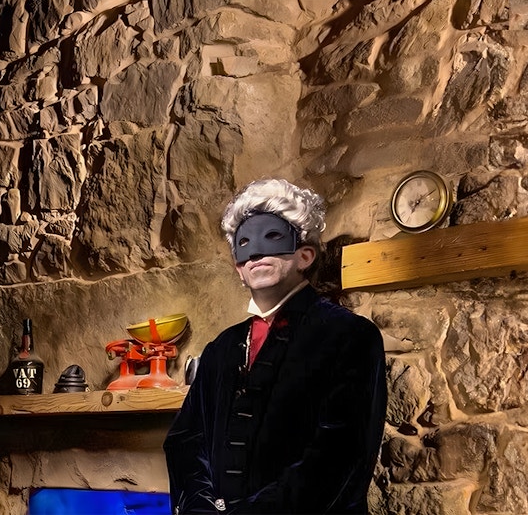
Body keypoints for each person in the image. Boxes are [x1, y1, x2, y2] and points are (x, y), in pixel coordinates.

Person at [163, 179, 387, 514]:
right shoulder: (221, 348)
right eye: (244, 243)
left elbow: (340, 454)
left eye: (272, 237)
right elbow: (185, 439)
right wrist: (199, 507)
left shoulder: (350, 335)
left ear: (304, 255)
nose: (255, 252)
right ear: (239, 268)